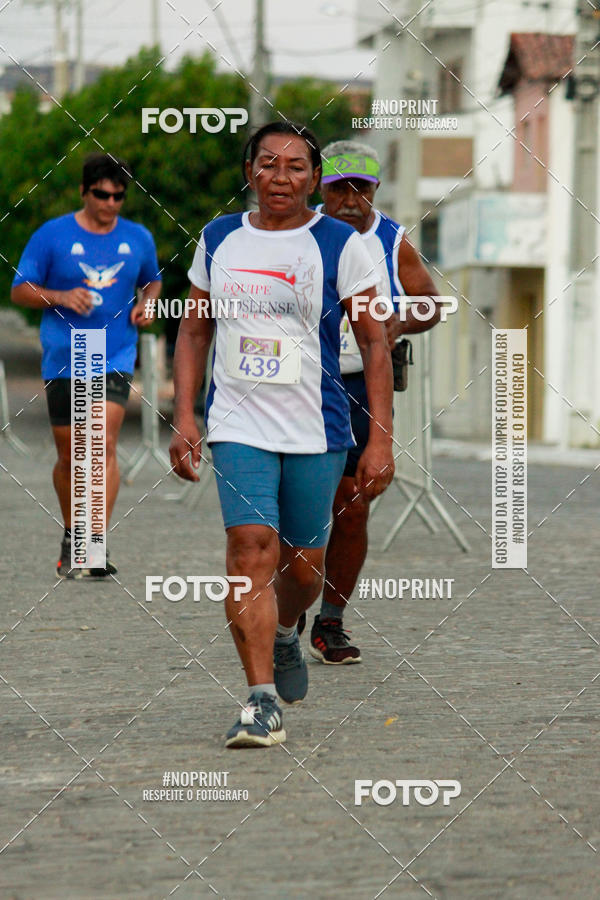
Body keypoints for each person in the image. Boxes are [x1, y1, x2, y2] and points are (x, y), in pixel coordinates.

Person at [169, 122, 394, 748]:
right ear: (250, 171)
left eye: (296, 167)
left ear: (314, 179)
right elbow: (193, 331)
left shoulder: (341, 244)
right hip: (237, 422)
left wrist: (380, 438)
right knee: (249, 548)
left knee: (302, 569)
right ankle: (260, 698)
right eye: (269, 164)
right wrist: (186, 416)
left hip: (317, 424)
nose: (281, 177)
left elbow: (374, 343)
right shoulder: (219, 238)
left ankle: (289, 627)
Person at [299, 139, 441, 664]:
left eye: (362, 187)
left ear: (376, 189)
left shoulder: (392, 240)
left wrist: (396, 322)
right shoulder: (300, 232)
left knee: (352, 507)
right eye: (340, 188)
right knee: (313, 502)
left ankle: (329, 620)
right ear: (322, 188)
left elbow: (431, 302)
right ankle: (292, 604)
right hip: (302, 382)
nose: (351, 199)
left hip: (363, 384)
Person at [11, 152, 161, 579]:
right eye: (101, 195)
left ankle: (93, 540)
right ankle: (71, 530)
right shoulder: (52, 235)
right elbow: (20, 291)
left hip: (114, 352)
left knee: (101, 443)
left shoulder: (139, 238)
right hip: (66, 354)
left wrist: (147, 304)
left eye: (118, 197)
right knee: (71, 454)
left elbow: (152, 279)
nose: (110, 204)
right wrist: (60, 297)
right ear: (84, 191)